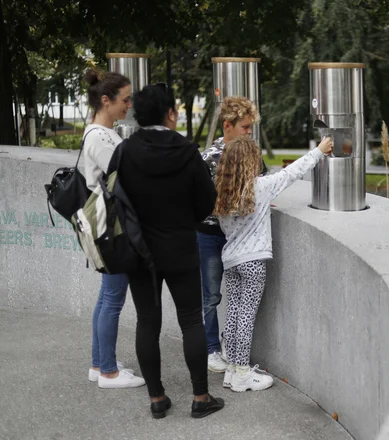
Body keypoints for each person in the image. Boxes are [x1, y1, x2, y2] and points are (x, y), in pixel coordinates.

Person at [108, 83, 223, 419]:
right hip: (181, 248)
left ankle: (157, 399)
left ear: (139, 115)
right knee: (191, 321)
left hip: (139, 251)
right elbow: (207, 203)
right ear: (171, 113)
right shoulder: (187, 151)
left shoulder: (125, 150)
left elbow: (113, 197)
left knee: (147, 322)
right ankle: (201, 398)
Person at [214, 134, 333, 392]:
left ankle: (233, 370)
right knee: (246, 317)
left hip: (231, 261)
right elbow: (292, 173)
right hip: (253, 262)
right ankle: (243, 374)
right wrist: (319, 151)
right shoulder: (261, 187)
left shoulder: (223, 194)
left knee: (233, 315)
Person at [82, 69, 146, 389]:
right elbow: (126, 178)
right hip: (112, 228)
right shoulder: (98, 136)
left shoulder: (106, 133)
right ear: (106, 101)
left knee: (107, 297)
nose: (129, 105)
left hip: (110, 225)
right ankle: (108, 371)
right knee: (112, 299)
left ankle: (99, 363)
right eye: (125, 99)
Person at [197, 96, 266, 375]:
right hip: (210, 234)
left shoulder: (251, 154)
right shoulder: (208, 159)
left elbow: (260, 183)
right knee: (211, 295)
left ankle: (229, 344)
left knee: (237, 295)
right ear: (228, 125)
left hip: (240, 237)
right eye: (245, 127)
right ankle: (211, 348)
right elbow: (198, 200)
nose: (249, 132)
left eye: (251, 127)